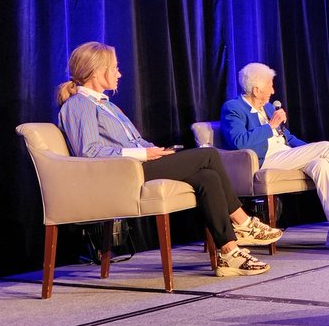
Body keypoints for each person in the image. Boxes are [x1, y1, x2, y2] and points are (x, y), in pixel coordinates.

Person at [56, 42, 279, 277]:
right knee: (209, 155)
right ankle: (243, 222)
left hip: (138, 165)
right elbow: (89, 152)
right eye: (114, 68)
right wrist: (143, 154)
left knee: (207, 177)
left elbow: (137, 141)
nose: (119, 73)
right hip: (121, 174)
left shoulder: (108, 105)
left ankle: (229, 252)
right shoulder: (78, 105)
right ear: (96, 71)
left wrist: (155, 150)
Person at [218, 62, 329, 250]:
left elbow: (288, 138)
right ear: (256, 90)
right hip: (263, 161)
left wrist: (312, 149)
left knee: (322, 163)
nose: (273, 90)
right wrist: (269, 127)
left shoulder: (269, 108)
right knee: (327, 147)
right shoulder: (233, 108)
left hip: (286, 156)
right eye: (270, 85)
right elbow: (239, 142)